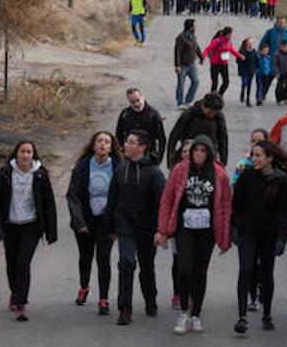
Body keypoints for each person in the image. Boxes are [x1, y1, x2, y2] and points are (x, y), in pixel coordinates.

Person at [155, 135, 232, 335]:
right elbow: (167, 200)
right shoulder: (180, 170)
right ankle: (183, 312)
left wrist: (224, 238)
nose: (198, 154)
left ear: (209, 153)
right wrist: (162, 230)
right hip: (184, 228)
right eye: (195, 150)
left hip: (206, 230)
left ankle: (196, 314)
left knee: (200, 271)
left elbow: (225, 206)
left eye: (202, 151)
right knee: (184, 268)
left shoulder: (219, 173)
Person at [0, 139, 58, 321]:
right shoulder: (5, 174)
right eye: (22, 152)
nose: (26, 155)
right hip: (10, 226)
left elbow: (49, 203)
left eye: (29, 152)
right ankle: (15, 293)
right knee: (11, 264)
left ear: (33, 155)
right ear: (16, 154)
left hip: (31, 226)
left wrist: (51, 231)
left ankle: (21, 303)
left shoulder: (40, 175)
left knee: (23, 262)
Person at [231, 140, 287, 333]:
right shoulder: (246, 176)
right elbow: (236, 205)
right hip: (248, 233)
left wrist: (282, 238)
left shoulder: (281, 180)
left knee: (266, 274)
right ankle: (242, 316)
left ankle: (267, 314)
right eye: (253, 155)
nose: (254, 159)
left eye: (258, 155)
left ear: (269, 158)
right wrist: (235, 230)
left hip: (269, 235)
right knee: (246, 270)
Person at [105, 130, 168, 325]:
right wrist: (110, 228)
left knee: (146, 267)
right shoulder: (121, 170)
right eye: (126, 141)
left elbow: (162, 203)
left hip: (147, 229)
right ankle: (125, 308)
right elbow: (112, 200)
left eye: (132, 142)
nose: (126, 145)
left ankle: (150, 299)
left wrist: (161, 230)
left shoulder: (154, 173)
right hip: (125, 227)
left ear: (142, 147)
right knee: (126, 263)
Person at [66, 131, 119, 315]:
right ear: (93, 145)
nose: (103, 144)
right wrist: (78, 221)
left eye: (107, 142)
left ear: (111, 147)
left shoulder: (118, 166)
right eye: (99, 141)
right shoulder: (82, 166)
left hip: (107, 219)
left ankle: (103, 299)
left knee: (103, 258)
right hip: (86, 218)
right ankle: (84, 287)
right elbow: (72, 195)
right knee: (85, 256)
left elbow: (123, 197)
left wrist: (117, 225)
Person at [167, 92, 229, 166]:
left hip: (209, 155)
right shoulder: (190, 114)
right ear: (203, 106)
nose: (212, 115)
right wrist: (170, 159)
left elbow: (223, 139)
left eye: (214, 113)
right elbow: (174, 136)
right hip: (189, 154)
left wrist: (223, 162)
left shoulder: (218, 117)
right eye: (209, 112)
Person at [116, 87, 167, 162]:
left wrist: (159, 158)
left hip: (148, 155)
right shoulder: (125, 114)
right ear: (129, 102)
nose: (136, 104)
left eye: (138, 100)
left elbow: (162, 138)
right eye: (132, 102)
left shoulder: (153, 114)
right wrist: (122, 152)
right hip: (130, 156)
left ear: (142, 97)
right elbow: (118, 135)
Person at [202, 26, 242, 97]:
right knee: (215, 83)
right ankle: (212, 98)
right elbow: (208, 49)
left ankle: (219, 95)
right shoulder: (217, 41)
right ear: (227, 34)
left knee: (226, 82)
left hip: (224, 64)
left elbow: (232, 50)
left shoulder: (229, 42)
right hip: (215, 64)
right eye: (230, 34)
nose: (231, 36)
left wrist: (240, 56)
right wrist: (203, 57)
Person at [174, 18, 202, 107]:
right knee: (181, 84)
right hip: (183, 65)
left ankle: (189, 100)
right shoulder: (181, 38)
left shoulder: (193, 36)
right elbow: (177, 51)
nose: (195, 27)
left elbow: (196, 47)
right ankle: (180, 102)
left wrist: (201, 57)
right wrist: (177, 65)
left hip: (192, 64)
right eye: (194, 26)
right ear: (190, 27)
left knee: (196, 81)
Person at [272, 39, 287, 106]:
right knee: (279, 86)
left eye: (286, 46)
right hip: (280, 72)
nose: (285, 48)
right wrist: (276, 73)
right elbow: (275, 64)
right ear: (280, 46)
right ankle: (278, 99)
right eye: (283, 46)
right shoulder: (277, 54)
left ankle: (285, 99)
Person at [236, 37, 258, 106]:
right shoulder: (241, 51)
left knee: (249, 85)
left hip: (251, 71)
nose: (250, 44)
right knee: (244, 82)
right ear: (245, 44)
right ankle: (242, 93)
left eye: (251, 43)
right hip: (243, 70)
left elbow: (256, 61)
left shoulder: (254, 51)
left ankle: (248, 99)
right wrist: (241, 59)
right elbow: (237, 61)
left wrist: (256, 68)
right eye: (249, 43)